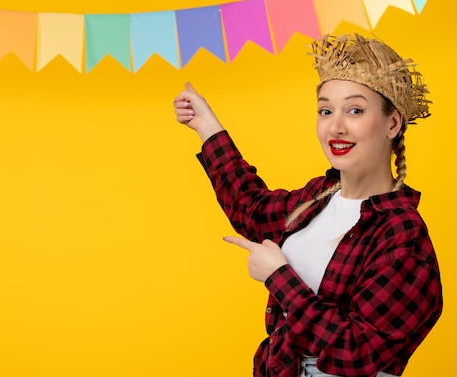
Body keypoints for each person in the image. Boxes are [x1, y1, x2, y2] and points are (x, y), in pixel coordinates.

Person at [173, 33, 443, 377]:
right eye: (325, 110)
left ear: (392, 123)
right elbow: (250, 207)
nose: (336, 126)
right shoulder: (320, 196)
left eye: (355, 110)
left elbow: (357, 353)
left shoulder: (402, 234)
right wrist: (206, 126)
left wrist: (278, 277)